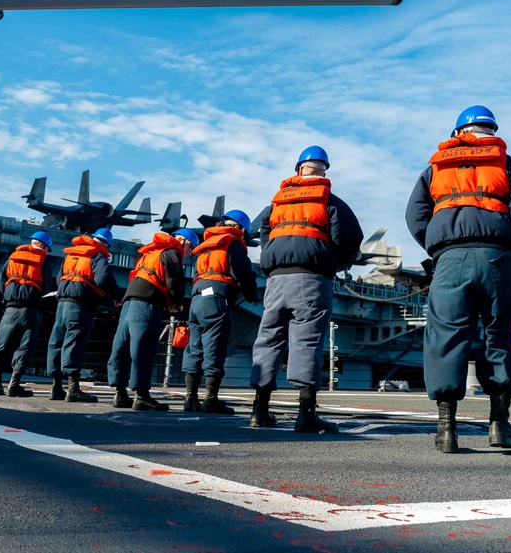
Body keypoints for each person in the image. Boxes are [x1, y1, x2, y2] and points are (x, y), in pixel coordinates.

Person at [407, 106, 511, 452]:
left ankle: (446, 430)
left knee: (445, 338)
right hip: (499, 258)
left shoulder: (435, 169)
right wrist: (510, 245)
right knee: (498, 335)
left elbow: (415, 216)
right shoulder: (510, 166)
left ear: (457, 133)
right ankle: (500, 426)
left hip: (450, 259)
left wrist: (440, 247)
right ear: (492, 131)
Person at [250, 146, 363, 432]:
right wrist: (332, 262)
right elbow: (350, 238)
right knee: (307, 341)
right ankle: (306, 414)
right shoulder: (330, 201)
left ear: (298, 168)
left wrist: (275, 255)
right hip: (311, 279)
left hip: (276, 279)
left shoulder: (277, 202)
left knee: (268, 339)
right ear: (324, 169)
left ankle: (259, 411)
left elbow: (261, 231)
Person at [107, 228, 198, 411]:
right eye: (189, 247)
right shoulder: (171, 252)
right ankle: (141, 396)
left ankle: (120, 393)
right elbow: (176, 282)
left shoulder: (151, 252)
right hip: (146, 306)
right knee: (144, 349)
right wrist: (177, 303)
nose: (189, 253)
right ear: (181, 241)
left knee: (121, 348)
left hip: (128, 303)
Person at [182, 210, 258, 414]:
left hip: (196, 299)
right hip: (216, 299)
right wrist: (251, 295)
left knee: (195, 348)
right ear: (241, 229)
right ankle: (211, 399)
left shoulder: (206, 244)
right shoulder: (232, 242)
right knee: (214, 346)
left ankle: (190, 398)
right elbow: (242, 271)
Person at [46, 228, 123, 403]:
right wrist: (117, 297)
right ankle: (73, 388)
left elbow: (59, 278)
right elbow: (104, 279)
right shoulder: (97, 256)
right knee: (74, 343)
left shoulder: (71, 254)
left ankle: (56, 387)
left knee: (56, 343)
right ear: (105, 244)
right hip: (80, 306)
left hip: (62, 303)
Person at [0, 231, 54, 397]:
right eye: (47, 248)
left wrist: (9, 295)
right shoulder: (44, 261)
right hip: (30, 311)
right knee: (26, 346)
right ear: (42, 246)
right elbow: (46, 287)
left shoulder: (13, 257)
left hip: (10, 309)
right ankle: (14, 384)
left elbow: (1, 280)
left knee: (2, 345)